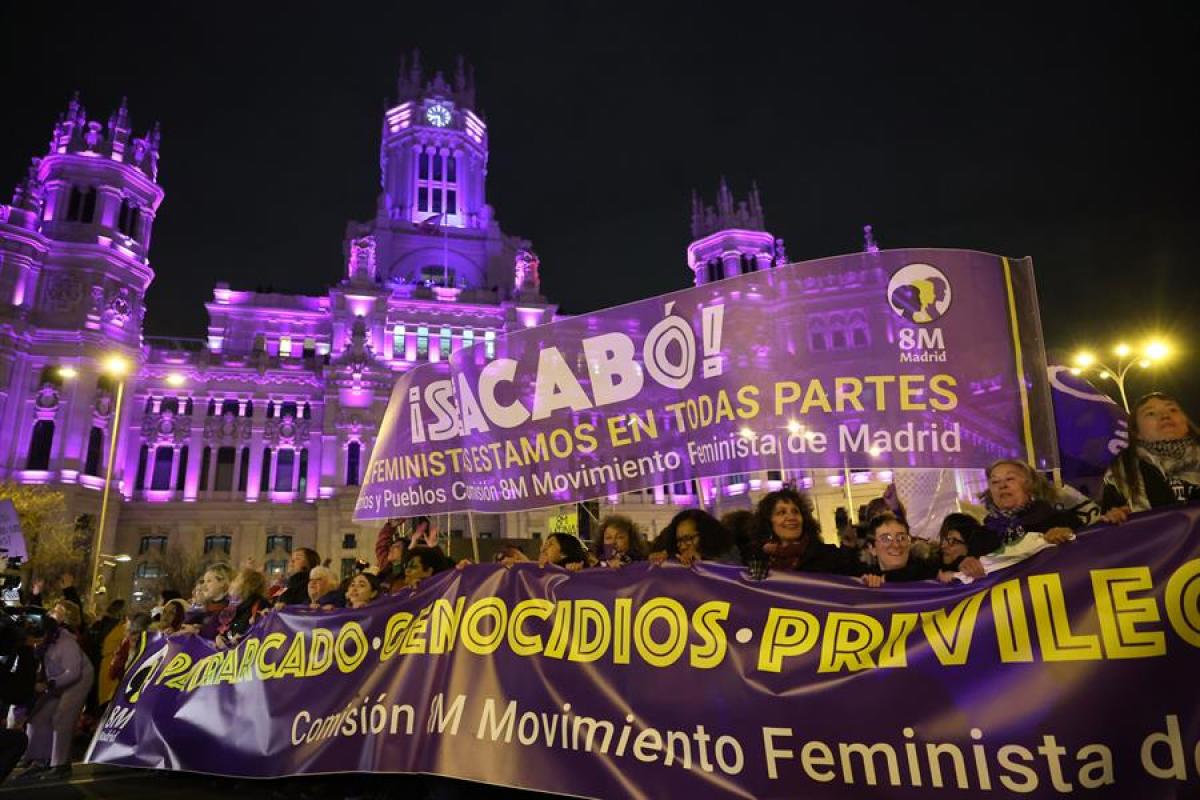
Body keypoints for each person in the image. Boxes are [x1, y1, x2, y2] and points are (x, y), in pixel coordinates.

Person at [22, 600, 94, 780]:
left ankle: (60, 764)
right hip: (57, 680)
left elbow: (73, 672)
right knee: (39, 717)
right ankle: (40, 759)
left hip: (78, 680)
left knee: (62, 719)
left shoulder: (66, 643)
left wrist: (49, 685)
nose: (35, 642)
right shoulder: (45, 643)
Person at [1102, 392, 1200, 517]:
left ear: (1186, 421)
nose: (1165, 416)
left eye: (1173, 410)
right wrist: (1115, 516)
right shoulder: (1121, 473)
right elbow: (1108, 514)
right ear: (1136, 432)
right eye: (1151, 413)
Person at [754, 488, 863, 575]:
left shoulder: (829, 556)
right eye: (781, 512)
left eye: (795, 512)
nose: (791, 517)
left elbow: (857, 578)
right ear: (768, 522)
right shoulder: (758, 563)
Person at [982, 460, 1079, 547]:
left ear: (1030, 485)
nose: (1002, 485)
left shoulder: (1057, 519)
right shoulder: (984, 533)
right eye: (995, 482)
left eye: (1010, 479)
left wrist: (1066, 533)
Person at [860, 513, 940, 587]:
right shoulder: (865, 581)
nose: (896, 545)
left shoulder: (932, 573)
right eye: (886, 539)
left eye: (901, 538)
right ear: (872, 548)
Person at [651, 510, 739, 566]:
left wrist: (702, 563)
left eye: (689, 539)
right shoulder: (675, 558)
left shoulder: (729, 556)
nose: (683, 546)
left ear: (706, 535)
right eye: (679, 541)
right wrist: (663, 561)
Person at [934, 513, 998, 582]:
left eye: (951, 540)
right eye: (942, 538)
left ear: (969, 544)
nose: (943, 546)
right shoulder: (934, 564)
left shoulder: (988, 563)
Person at [217, 569, 269, 649]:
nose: (232, 583)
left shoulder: (258, 605)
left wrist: (241, 637)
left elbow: (256, 631)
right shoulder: (237, 607)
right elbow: (231, 630)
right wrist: (221, 637)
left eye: (236, 580)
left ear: (247, 585)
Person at [184, 563, 233, 639]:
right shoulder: (208, 608)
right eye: (204, 581)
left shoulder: (229, 607)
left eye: (209, 581)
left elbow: (215, 632)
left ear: (222, 583)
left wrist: (197, 630)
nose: (204, 586)